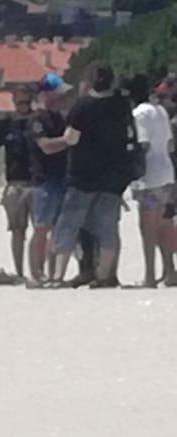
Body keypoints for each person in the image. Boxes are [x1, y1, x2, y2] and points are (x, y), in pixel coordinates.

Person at [51, 65, 135, 287]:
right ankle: (105, 275)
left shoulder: (82, 105)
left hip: (83, 175)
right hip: (113, 177)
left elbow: (71, 138)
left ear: (91, 81)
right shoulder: (121, 104)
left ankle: (57, 275)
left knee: (69, 225)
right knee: (108, 229)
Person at [0, 87, 38, 280]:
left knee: (40, 228)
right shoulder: (6, 123)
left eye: (26, 102)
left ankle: (38, 271)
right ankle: (19, 271)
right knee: (17, 230)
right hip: (14, 183)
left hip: (37, 182)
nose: (23, 106)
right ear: (14, 102)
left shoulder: (39, 120)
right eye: (19, 102)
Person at [129, 73, 175, 288]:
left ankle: (149, 275)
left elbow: (143, 144)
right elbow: (170, 144)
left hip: (149, 180)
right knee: (165, 224)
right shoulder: (161, 111)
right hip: (166, 175)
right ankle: (170, 271)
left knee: (148, 227)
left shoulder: (139, 114)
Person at [26, 79, 70, 285]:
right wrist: (67, 140)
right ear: (45, 95)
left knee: (58, 228)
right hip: (44, 181)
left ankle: (53, 273)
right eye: (58, 94)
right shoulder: (37, 120)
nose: (62, 98)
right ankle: (36, 273)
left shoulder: (60, 118)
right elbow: (45, 146)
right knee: (41, 228)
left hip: (62, 178)